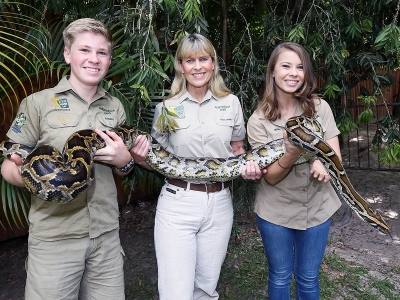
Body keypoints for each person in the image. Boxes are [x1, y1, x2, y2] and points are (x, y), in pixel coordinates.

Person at [1, 18, 149, 300]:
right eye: (85, 50)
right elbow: (9, 164)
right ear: (68, 54)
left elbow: (122, 170)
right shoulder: (38, 103)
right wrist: (32, 175)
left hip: (105, 236)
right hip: (55, 239)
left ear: (108, 60)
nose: (94, 59)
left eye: (102, 53)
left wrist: (125, 161)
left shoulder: (114, 106)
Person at [131, 33, 264, 299]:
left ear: (213, 63)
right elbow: (155, 157)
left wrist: (247, 165)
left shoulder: (231, 102)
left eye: (204, 59)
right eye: (190, 60)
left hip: (220, 202)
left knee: (206, 286)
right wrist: (137, 156)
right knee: (175, 291)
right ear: (180, 66)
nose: (198, 66)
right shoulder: (166, 107)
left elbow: (238, 147)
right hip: (179, 201)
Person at [246, 42, 342, 300]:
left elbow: (336, 156)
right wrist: (293, 151)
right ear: (273, 72)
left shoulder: (319, 108)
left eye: (300, 67)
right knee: (279, 274)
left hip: (318, 207)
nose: (293, 73)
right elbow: (273, 177)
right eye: (286, 65)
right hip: (276, 211)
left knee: (309, 277)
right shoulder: (258, 120)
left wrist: (324, 161)